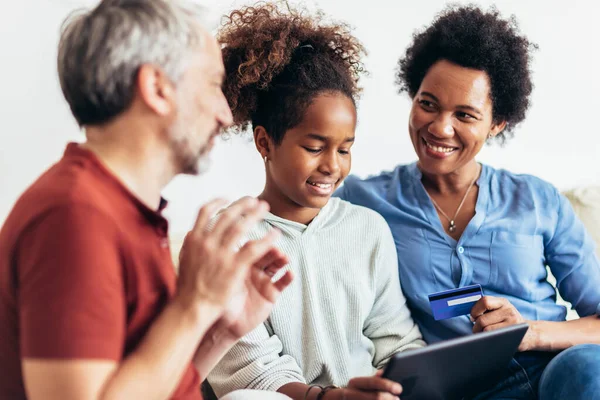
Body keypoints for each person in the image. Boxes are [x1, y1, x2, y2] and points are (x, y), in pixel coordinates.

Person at [0, 1, 294, 399]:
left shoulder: (125, 212)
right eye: (212, 84)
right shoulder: (73, 216)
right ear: (157, 88)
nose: (226, 114)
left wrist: (220, 331)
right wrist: (194, 304)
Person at [336, 5, 600, 400]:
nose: (440, 127)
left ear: (497, 123)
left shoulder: (537, 200)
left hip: (554, 372)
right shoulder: (365, 199)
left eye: (465, 114)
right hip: (456, 387)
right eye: (428, 103)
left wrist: (529, 331)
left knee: (585, 367)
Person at [206, 3, 425, 400]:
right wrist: (326, 398)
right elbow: (248, 370)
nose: (332, 166)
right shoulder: (231, 235)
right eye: (314, 147)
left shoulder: (368, 229)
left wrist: (395, 383)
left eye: (344, 150)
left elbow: (396, 339)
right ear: (264, 142)